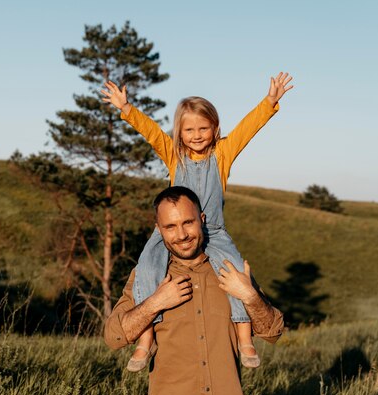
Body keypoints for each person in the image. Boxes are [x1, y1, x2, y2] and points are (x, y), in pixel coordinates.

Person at [101, 72, 293, 371]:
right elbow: (150, 132)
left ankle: (245, 340)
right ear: (179, 132)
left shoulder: (222, 154)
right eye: (189, 129)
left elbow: (246, 129)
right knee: (148, 267)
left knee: (234, 272)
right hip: (172, 230)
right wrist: (127, 109)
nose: (197, 134)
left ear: (215, 128)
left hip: (212, 231)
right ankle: (145, 339)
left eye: (204, 127)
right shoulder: (174, 155)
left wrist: (269, 102)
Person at [104, 186, 284, 395]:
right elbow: (114, 337)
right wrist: (155, 302)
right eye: (170, 226)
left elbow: (273, 332)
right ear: (159, 230)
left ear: (202, 219)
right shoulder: (148, 277)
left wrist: (249, 296)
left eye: (188, 222)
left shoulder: (230, 270)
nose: (181, 235)